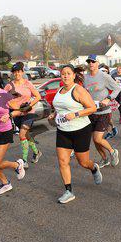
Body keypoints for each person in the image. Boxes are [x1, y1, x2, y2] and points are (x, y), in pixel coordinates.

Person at [49, 65, 102, 204]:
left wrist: (76, 114)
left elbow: (92, 108)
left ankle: (94, 168)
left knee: (83, 162)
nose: (65, 76)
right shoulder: (59, 90)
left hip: (81, 130)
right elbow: (59, 108)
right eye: (63, 74)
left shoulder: (78, 90)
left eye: (68, 73)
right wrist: (53, 114)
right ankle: (68, 191)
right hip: (63, 130)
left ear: (73, 75)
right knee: (62, 161)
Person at [84, 55, 121, 168]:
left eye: (93, 61)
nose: (91, 63)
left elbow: (117, 88)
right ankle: (104, 159)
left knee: (97, 138)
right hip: (91, 112)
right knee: (95, 140)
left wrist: (108, 99)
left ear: (97, 63)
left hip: (104, 112)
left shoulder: (104, 76)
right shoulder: (85, 77)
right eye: (89, 62)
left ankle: (112, 151)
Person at [5, 62, 43, 167]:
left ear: (22, 72)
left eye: (19, 71)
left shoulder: (27, 83)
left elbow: (38, 97)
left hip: (28, 113)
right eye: (14, 72)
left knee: (22, 134)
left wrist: (29, 106)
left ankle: (24, 161)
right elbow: (2, 99)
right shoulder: (9, 86)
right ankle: (37, 152)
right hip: (17, 114)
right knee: (26, 135)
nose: (17, 73)